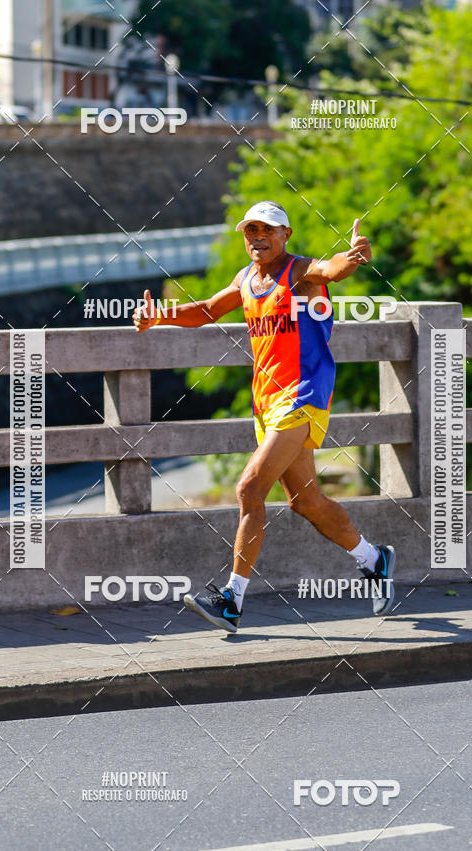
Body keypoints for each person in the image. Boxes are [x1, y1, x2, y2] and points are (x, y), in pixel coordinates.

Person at [133, 200, 396, 633]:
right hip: (267, 404)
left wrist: (351, 259)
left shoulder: (299, 271)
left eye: (268, 230)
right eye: (250, 230)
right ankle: (374, 559)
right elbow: (206, 311)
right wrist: (160, 315)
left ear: (285, 235)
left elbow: (329, 270)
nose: (258, 237)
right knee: (305, 501)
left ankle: (231, 600)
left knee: (249, 488)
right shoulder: (247, 280)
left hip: (303, 397)